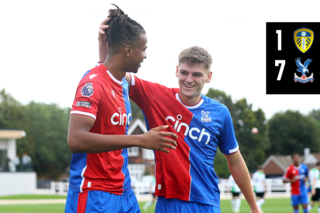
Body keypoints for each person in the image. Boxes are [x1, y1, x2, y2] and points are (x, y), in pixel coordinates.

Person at [97, 22, 261, 213]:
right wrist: (103, 41)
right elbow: (112, 73)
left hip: (206, 203)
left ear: (209, 76)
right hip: (168, 202)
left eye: (197, 74)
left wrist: (254, 208)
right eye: (184, 72)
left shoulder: (220, 112)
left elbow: (235, 161)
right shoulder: (155, 96)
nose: (189, 79)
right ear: (176, 71)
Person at [65, 5, 177, 213]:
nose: (144, 56)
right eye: (143, 49)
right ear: (127, 50)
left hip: (124, 191)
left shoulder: (122, 83)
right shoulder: (92, 84)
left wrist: (103, 41)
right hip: (93, 193)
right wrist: (140, 140)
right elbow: (76, 140)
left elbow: (108, 66)